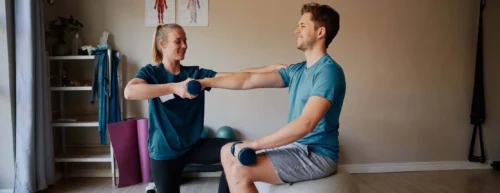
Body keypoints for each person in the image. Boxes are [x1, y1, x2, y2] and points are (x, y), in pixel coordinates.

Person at [196, 3, 344, 193]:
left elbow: (306, 123)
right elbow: (248, 80)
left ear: (320, 32)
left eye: (303, 25)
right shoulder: (297, 71)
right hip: (298, 147)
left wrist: (255, 144)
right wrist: (206, 82)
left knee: (240, 171)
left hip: (317, 154)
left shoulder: (328, 72)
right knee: (226, 150)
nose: (296, 30)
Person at [123, 23, 288, 193]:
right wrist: (175, 87)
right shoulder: (151, 73)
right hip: (164, 152)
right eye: (178, 41)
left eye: (185, 41)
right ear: (162, 44)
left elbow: (235, 76)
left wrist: (270, 69)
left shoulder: (194, 75)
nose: (184, 46)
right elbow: (130, 92)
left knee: (235, 151)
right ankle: (153, 187)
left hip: (193, 145)